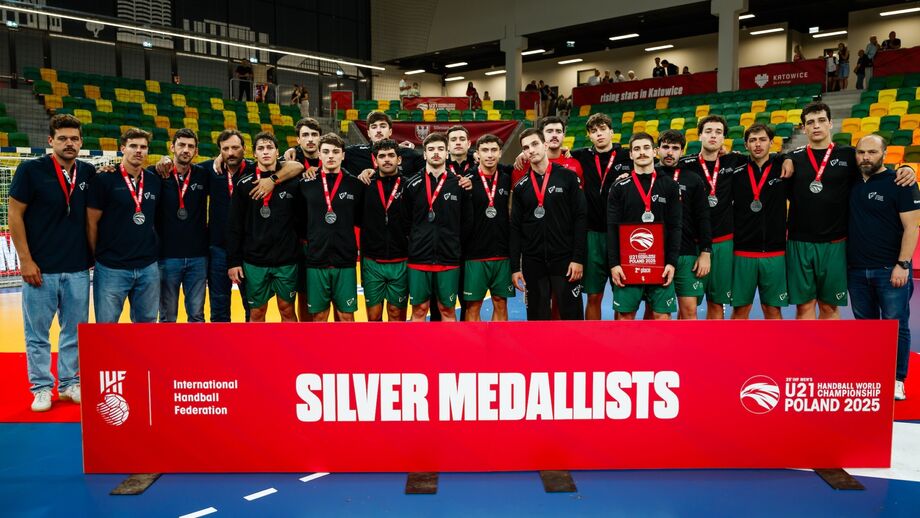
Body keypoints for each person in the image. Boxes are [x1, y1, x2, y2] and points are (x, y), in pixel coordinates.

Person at [780, 102, 916, 319]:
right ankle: (808, 354)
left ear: (831, 124)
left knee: (829, 307)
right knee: (804, 306)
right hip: (799, 242)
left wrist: (906, 169)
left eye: (821, 120)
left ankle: (828, 354)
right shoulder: (792, 158)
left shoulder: (849, 156)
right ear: (804, 128)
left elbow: (876, 167)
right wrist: (784, 157)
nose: (816, 126)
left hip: (836, 243)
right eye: (810, 122)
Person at [9, 114, 94, 412]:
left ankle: (70, 382)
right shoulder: (31, 170)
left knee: (74, 331)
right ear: (50, 141)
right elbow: (15, 214)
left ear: (81, 142)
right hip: (40, 270)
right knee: (37, 334)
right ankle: (42, 387)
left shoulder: (88, 172)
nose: (69, 143)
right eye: (62, 138)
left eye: (74, 138)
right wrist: (26, 260)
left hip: (77, 269)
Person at [848, 134, 920, 401]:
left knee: (896, 325)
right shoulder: (852, 181)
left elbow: (912, 227)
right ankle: (872, 373)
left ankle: (897, 378)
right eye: (860, 152)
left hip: (890, 269)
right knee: (866, 327)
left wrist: (903, 264)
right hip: (856, 270)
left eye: (871, 152)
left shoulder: (900, 183)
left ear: (885, 154)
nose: (865, 157)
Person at [510, 128, 586, 321]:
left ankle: (574, 352)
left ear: (545, 145)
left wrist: (578, 258)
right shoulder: (521, 187)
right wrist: (515, 268)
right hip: (533, 262)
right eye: (526, 148)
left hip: (565, 260)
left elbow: (580, 218)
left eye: (535, 144)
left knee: (572, 315)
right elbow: (516, 228)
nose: (531, 150)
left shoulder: (568, 177)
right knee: (537, 317)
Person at [676, 115, 748, 320]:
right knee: (687, 305)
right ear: (699, 135)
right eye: (708, 131)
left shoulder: (734, 160)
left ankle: (712, 348)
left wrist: (786, 158)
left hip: (723, 243)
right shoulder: (685, 164)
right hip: (693, 244)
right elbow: (655, 168)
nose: (713, 136)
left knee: (716, 303)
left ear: (724, 137)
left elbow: (766, 157)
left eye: (718, 132)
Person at [87, 128, 161, 323]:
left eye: (143, 147)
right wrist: (98, 255)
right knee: (107, 327)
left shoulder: (154, 181)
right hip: (112, 268)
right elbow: (91, 222)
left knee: (147, 326)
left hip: (147, 267)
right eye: (133, 146)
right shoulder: (105, 179)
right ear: (122, 149)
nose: (139, 151)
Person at [226, 132, 301, 322]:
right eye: (261, 148)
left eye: (270, 148)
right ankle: (256, 352)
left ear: (278, 152)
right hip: (255, 261)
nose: (266, 152)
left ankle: (291, 352)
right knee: (257, 312)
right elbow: (234, 226)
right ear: (254, 154)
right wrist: (233, 261)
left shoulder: (293, 183)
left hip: (286, 260)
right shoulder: (243, 185)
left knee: (287, 310)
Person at [607, 132, 682, 320]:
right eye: (637, 149)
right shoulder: (619, 187)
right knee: (624, 318)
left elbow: (675, 227)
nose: (642, 153)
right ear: (631, 154)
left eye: (646, 148)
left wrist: (672, 263)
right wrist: (614, 264)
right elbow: (612, 228)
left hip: (660, 264)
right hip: (627, 265)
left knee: (662, 317)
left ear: (655, 151)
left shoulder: (670, 186)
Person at [571, 113, 632, 320]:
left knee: (621, 294)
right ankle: (594, 340)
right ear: (589, 136)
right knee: (594, 295)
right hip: (592, 234)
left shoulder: (628, 156)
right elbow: (554, 154)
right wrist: (521, 156)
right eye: (594, 131)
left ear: (612, 132)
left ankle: (618, 340)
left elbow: (659, 164)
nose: (599, 134)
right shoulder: (581, 156)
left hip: (621, 234)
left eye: (603, 129)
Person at [299, 133, 364, 322]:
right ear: (319, 154)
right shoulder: (305, 184)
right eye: (326, 152)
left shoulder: (355, 185)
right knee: (319, 317)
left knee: (346, 316)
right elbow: (299, 220)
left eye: (336, 152)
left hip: (345, 260)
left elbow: (361, 219)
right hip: (316, 259)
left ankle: (346, 353)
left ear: (343, 155)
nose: (331, 156)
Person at [403, 133, 464, 321]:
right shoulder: (411, 184)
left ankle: (448, 350)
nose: (435, 153)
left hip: (449, 257)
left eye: (440, 149)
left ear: (447, 154)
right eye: (431, 149)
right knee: (419, 310)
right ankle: (416, 351)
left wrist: (454, 246)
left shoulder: (459, 184)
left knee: (447, 310)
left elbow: (466, 223)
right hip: (419, 257)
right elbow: (405, 222)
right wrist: (416, 243)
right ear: (424, 155)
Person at [730, 124, 789, 320]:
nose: (758, 144)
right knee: (740, 311)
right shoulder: (736, 172)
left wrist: (785, 156)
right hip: (742, 252)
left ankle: (776, 350)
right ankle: (734, 351)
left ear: (771, 142)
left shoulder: (783, 167)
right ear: (746, 144)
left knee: (772, 310)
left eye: (762, 140)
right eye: (753, 140)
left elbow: (796, 156)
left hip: (775, 251)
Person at [653, 130, 711, 320]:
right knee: (658, 313)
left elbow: (703, 217)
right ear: (657, 150)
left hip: (686, 252)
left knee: (689, 311)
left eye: (675, 148)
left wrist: (705, 251)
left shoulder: (693, 179)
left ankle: (686, 350)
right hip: (656, 253)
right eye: (666, 147)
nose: (670, 152)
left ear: (682, 151)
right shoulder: (647, 176)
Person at [156, 128, 208, 323]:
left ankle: (195, 353)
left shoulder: (204, 174)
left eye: (191, 146)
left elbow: (227, 161)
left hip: (198, 257)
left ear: (196, 151)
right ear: (172, 147)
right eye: (181, 145)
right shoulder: (157, 173)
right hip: (167, 257)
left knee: (196, 315)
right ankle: (167, 354)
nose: (186, 150)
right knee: (168, 316)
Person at [461, 134, 515, 321]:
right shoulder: (465, 180)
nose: (490, 155)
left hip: (502, 253)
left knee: (500, 302)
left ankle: (498, 347)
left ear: (500, 153)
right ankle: (473, 349)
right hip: (475, 254)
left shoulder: (507, 177)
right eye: (485, 150)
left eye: (494, 150)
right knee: (473, 306)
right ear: (477, 154)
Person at [361, 139, 410, 322]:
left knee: (396, 315)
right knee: (373, 317)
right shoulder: (365, 186)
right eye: (382, 156)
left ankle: (398, 351)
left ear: (399, 159)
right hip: (372, 262)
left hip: (401, 260)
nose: (386, 160)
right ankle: (376, 351)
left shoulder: (409, 186)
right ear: (375, 161)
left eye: (391, 155)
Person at [291, 118, 323, 321]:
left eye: (314, 135)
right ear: (298, 139)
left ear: (320, 137)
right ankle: (304, 332)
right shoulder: (288, 163)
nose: (310, 139)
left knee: (326, 293)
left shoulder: (334, 160)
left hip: (325, 240)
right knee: (302, 292)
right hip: (300, 240)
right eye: (305, 135)